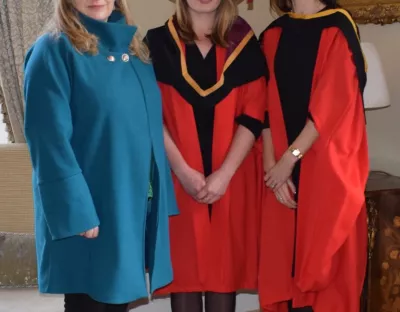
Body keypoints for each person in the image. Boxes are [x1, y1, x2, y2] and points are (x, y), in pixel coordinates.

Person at [23, 0, 178, 311]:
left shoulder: (136, 52)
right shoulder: (53, 51)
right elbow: (48, 139)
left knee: (117, 302)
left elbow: (148, 134)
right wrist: (76, 209)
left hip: (128, 206)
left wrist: (158, 202)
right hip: (88, 211)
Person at [145, 0, 267, 311]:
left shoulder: (245, 42)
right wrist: (182, 171)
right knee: (184, 275)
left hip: (232, 178)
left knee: (223, 276)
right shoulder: (156, 44)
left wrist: (225, 174)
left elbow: (254, 114)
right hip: (177, 178)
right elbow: (149, 115)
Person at [258, 0, 369, 311]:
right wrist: (272, 170)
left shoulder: (339, 27)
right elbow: (261, 107)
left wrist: (288, 160)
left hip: (326, 169)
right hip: (280, 174)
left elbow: (332, 103)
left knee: (325, 273)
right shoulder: (272, 34)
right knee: (285, 269)